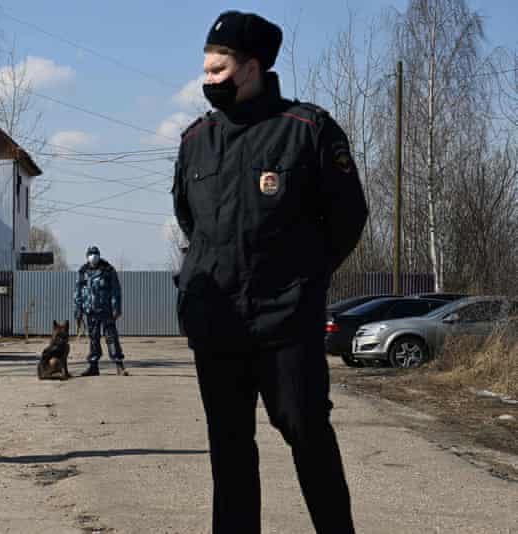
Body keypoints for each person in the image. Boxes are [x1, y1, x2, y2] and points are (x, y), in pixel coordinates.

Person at [172, 11, 368, 534]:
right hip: (218, 326)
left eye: (218, 69)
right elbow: (189, 218)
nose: (208, 79)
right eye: (206, 69)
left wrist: (304, 278)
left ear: (252, 68)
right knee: (229, 451)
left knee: (308, 434)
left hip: (286, 324)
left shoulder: (307, 130)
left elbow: (348, 216)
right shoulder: (196, 140)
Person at [74, 245, 127, 376]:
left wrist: (116, 308)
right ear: (87, 256)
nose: (93, 256)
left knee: (111, 337)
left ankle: (119, 364)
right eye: (91, 254)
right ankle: (93, 366)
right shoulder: (83, 271)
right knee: (93, 338)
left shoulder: (108, 270)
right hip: (90, 310)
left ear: (99, 255)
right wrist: (78, 309)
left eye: (95, 253)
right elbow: (78, 292)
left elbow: (115, 291)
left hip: (106, 310)